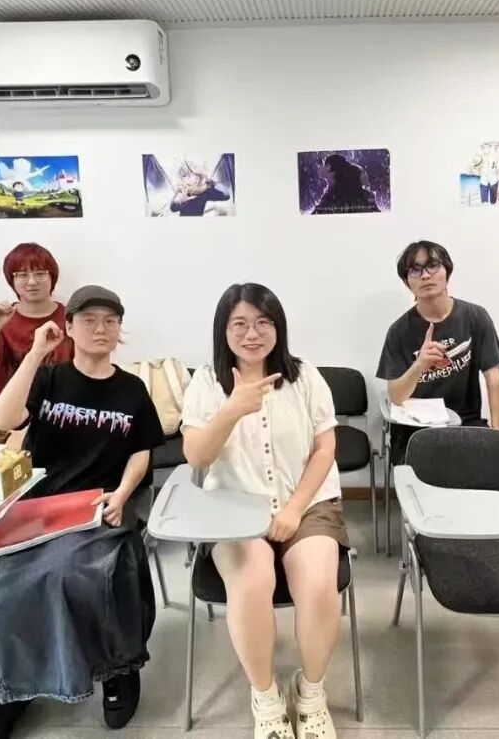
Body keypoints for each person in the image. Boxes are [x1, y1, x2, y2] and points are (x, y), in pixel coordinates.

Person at [0, 285, 165, 739]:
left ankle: (117, 669)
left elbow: (142, 451)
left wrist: (122, 494)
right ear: (68, 327)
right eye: (88, 320)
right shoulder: (48, 378)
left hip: (99, 507)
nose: (100, 328)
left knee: (71, 575)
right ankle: (9, 687)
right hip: (37, 508)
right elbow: (3, 420)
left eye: (110, 321)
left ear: (120, 331)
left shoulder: (132, 389)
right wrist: (35, 354)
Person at [182, 283, 349, 739]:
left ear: (278, 328)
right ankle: (267, 698)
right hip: (234, 507)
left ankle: (311, 694)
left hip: (307, 502)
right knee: (253, 581)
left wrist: (294, 509)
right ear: (223, 330)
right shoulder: (206, 383)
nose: (252, 334)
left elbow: (325, 448)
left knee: (318, 586)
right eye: (239, 324)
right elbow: (196, 457)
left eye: (263, 322)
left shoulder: (305, 376)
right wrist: (231, 410)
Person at [376, 240, 499, 465]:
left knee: (489, 471)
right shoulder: (399, 331)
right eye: (415, 270)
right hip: (415, 432)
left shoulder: (475, 317)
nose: (425, 275)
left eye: (433, 266)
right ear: (407, 282)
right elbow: (396, 396)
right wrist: (419, 365)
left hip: (466, 424)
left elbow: (494, 380)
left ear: (447, 271)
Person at [0, 243, 73, 455]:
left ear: (52, 277)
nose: (32, 282)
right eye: (21, 275)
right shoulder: (0, 319)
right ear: (11, 280)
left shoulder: (71, 320)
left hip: (54, 416)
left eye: (40, 273)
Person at [312, 154, 380, 214]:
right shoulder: (360, 194)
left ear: (328, 167)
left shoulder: (331, 198)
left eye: (323, 164)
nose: (319, 167)